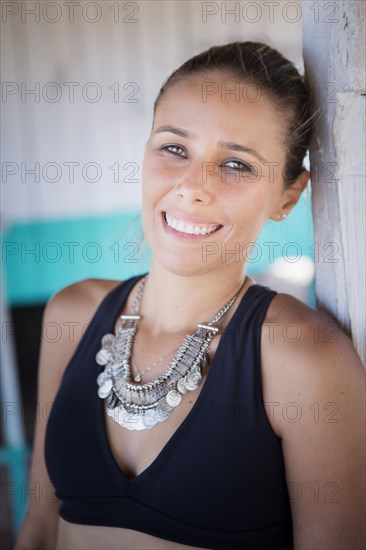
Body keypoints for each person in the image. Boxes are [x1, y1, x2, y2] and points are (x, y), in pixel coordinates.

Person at [15, 41, 365, 550]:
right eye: (174, 148)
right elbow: (39, 529)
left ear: (288, 196)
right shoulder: (72, 313)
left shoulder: (304, 359)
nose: (192, 186)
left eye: (237, 165)